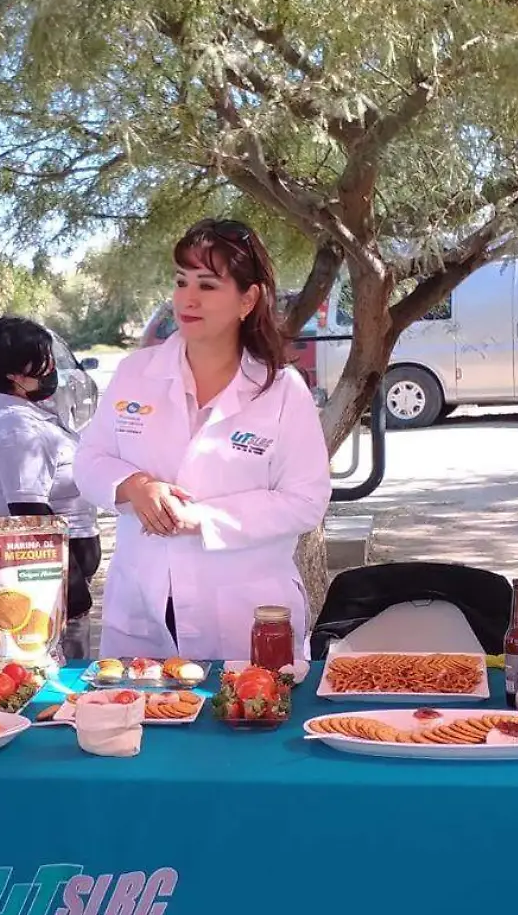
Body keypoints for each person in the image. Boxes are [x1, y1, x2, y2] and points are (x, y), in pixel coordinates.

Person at [75, 219, 331, 662]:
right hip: (144, 605)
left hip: (243, 610)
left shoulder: (281, 390)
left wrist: (203, 518)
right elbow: (89, 460)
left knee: (247, 715)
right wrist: (135, 485)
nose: (187, 299)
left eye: (208, 285)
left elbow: (305, 500)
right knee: (140, 721)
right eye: (181, 282)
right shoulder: (137, 373)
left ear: (247, 299)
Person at [0, 316, 101, 655]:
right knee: (59, 677)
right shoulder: (17, 429)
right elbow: (30, 513)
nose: (51, 368)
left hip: (54, 577)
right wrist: (71, 581)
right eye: (42, 361)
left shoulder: (23, 412)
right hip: (43, 582)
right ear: (14, 375)